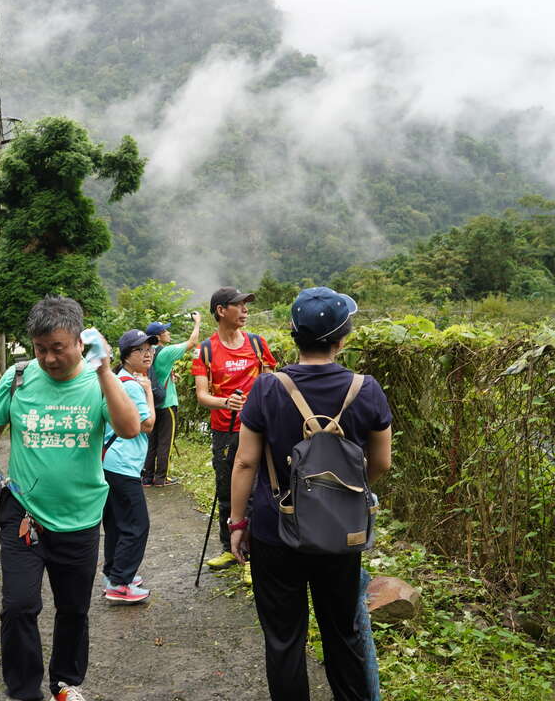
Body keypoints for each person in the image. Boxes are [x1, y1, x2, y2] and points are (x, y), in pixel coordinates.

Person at [0, 296, 140, 701]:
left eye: (57, 348)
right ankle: (24, 691)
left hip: (81, 517)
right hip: (23, 512)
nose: (48, 358)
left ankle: (66, 683)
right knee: (18, 606)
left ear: (80, 342)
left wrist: (103, 372)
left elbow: (131, 427)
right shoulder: (18, 377)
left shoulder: (101, 382)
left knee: (73, 610)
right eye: (40, 349)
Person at [229, 287, 393, 700]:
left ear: (293, 333)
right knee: (342, 633)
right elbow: (381, 463)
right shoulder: (366, 388)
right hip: (341, 532)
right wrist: (343, 494)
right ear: (343, 338)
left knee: (284, 638)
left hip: (274, 529)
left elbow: (245, 463)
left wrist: (237, 523)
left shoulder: (266, 388)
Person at [192, 287, 276, 581]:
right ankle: (230, 548)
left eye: (246, 305)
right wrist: (225, 402)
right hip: (224, 430)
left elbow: (270, 382)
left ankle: (254, 556)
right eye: (239, 305)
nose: (245, 310)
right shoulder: (205, 350)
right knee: (226, 488)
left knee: (255, 491)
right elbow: (202, 395)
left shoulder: (257, 344)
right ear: (220, 310)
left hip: (256, 429)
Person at [101, 329, 157, 603]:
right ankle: (120, 584)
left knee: (116, 523)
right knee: (137, 524)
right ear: (125, 356)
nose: (148, 353)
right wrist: (148, 392)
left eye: (150, 348)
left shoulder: (114, 380)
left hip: (108, 463)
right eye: (140, 350)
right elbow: (147, 425)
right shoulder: (133, 385)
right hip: (123, 465)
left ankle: (113, 574)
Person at [141, 310, 202, 487]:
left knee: (152, 442)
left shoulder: (147, 353)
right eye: (166, 331)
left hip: (151, 402)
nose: (169, 333)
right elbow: (192, 342)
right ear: (158, 336)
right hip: (167, 403)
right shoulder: (166, 352)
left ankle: (147, 477)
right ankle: (161, 478)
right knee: (165, 441)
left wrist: (170, 377)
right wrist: (197, 322)